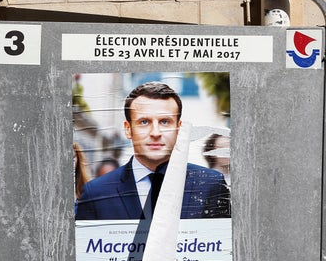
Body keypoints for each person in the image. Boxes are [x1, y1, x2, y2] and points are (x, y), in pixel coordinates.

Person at [75, 82, 230, 220]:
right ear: (128, 130)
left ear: (179, 128)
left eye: (164, 121)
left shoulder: (211, 184)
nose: (155, 133)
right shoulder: (96, 193)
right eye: (144, 122)